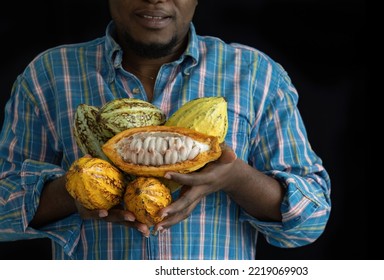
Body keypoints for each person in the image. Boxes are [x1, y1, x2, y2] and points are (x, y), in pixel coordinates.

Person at [0, 0, 331, 260]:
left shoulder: (255, 74)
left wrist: (235, 179)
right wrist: (76, 194)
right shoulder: (50, 74)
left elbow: (311, 219)